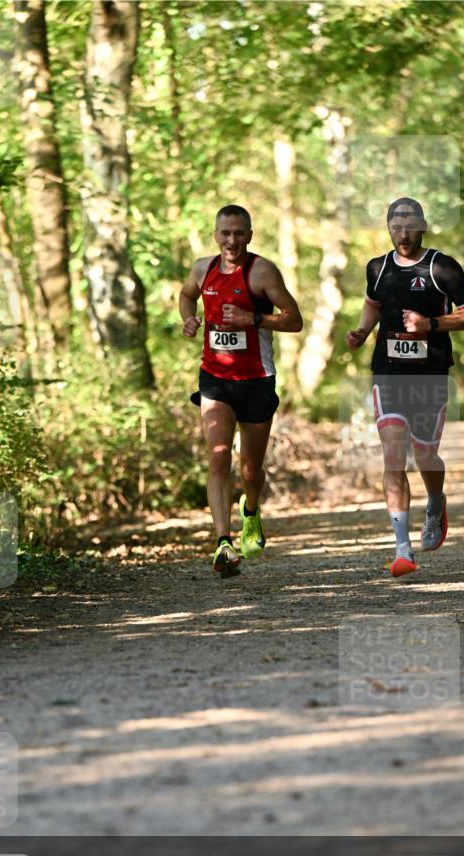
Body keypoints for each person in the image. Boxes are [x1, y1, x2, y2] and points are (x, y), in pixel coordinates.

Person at [346, 197, 464, 577]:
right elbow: (372, 305)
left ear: (422, 226)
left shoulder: (443, 267)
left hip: (430, 374)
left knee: (425, 456)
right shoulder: (377, 267)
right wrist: (361, 330)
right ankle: (402, 547)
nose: (403, 234)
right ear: (388, 228)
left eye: (410, 226)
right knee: (392, 454)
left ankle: (435, 501)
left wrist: (431, 325)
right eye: (396, 226)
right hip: (387, 372)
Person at [179, 205, 303, 577]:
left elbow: (295, 320)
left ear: (249, 235)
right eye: (225, 233)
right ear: (215, 235)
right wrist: (188, 317)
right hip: (214, 378)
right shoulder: (203, 269)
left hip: (256, 380)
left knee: (250, 470)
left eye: (238, 233)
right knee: (218, 457)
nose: (231, 240)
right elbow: (186, 294)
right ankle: (222, 542)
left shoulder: (262, 272)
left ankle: (251, 509)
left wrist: (254, 319)